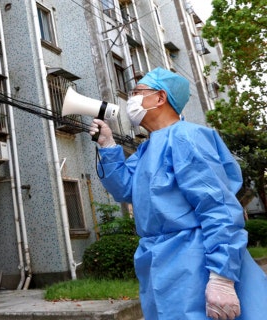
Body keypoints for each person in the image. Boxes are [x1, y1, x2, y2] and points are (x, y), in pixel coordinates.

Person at [90, 67, 267, 320]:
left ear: (160, 98)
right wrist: (108, 145)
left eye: (137, 92)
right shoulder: (147, 149)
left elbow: (217, 207)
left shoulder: (187, 138)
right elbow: (125, 189)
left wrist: (221, 277)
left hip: (194, 260)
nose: (131, 99)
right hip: (158, 262)